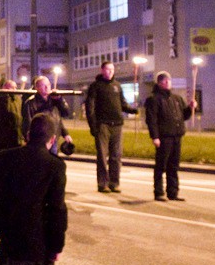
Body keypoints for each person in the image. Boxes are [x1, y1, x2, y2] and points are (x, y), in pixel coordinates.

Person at [0, 113, 68, 265]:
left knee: (10, 259)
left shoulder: (4, 156)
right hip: (35, 238)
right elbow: (57, 211)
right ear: (52, 139)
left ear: (28, 135)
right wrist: (56, 247)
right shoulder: (55, 165)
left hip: (7, 231)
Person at [85, 61, 139, 193]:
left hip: (117, 125)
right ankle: (103, 183)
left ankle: (114, 183)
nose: (110, 72)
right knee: (102, 156)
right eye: (107, 69)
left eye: (112, 70)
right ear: (102, 70)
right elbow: (90, 107)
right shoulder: (95, 86)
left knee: (116, 155)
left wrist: (133, 110)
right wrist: (93, 125)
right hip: (102, 124)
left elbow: (122, 104)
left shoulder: (117, 86)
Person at [144, 71, 196, 202]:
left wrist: (190, 108)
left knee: (173, 165)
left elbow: (184, 116)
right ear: (159, 83)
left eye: (169, 80)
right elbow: (151, 120)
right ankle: (158, 192)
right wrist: (155, 137)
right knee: (161, 165)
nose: (167, 83)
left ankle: (173, 192)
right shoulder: (154, 99)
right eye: (164, 81)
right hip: (164, 136)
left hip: (176, 135)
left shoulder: (177, 99)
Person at [21, 76, 72, 156]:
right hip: (39, 139)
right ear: (37, 88)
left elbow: (63, 115)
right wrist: (28, 136)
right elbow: (27, 121)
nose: (47, 87)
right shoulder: (31, 103)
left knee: (52, 160)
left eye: (48, 85)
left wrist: (65, 134)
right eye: (43, 85)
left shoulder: (54, 100)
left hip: (53, 138)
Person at [0, 80, 24, 154]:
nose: (15, 90)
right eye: (12, 87)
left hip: (17, 133)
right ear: (5, 88)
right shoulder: (0, 99)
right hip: (4, 135)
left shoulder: (17, 99)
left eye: (15, 87)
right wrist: (5, 96)